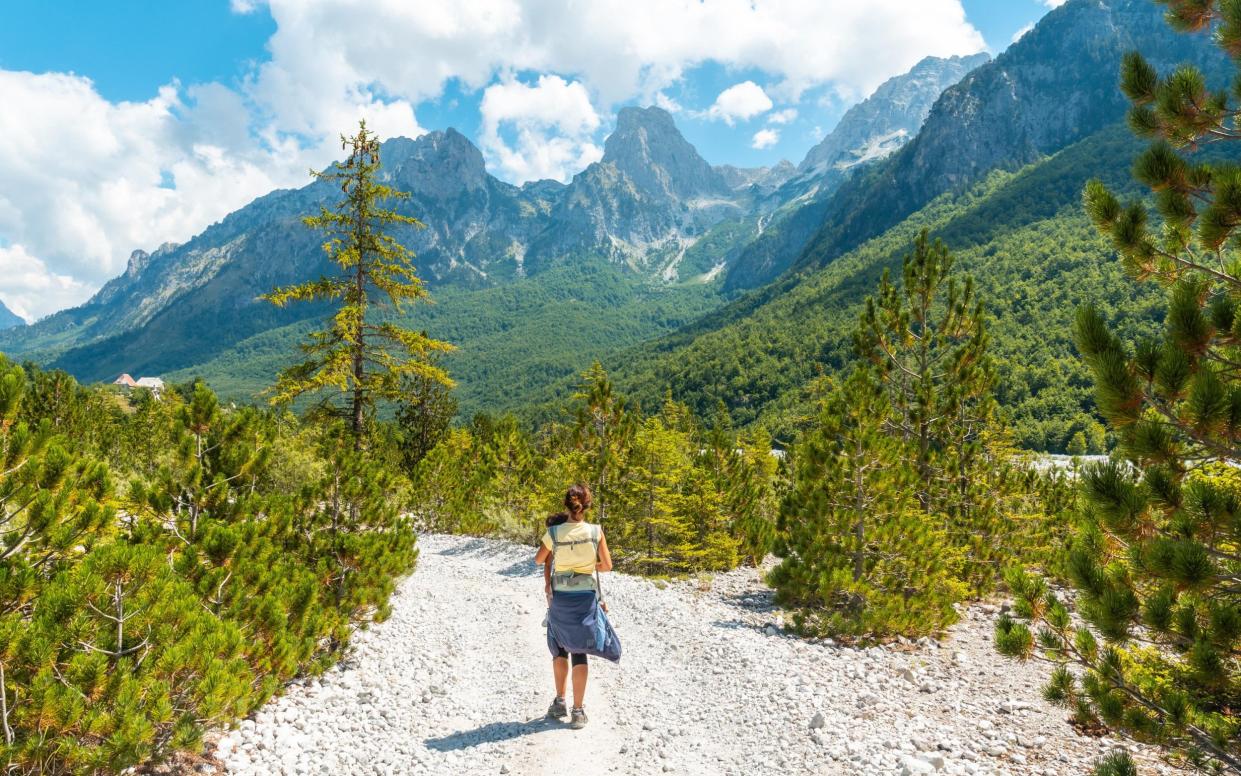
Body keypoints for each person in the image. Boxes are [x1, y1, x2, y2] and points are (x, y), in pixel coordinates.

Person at [534, 484, 613, 729]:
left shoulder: (555, 533)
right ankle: (578, 712)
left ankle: (560, 702)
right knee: (580, 649)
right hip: (586, 597)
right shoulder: (595, 531)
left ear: (566, 505)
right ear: (586, 505)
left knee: (559, 647)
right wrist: (587, 567)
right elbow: (607, 565)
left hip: (561, 598)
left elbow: (539, 560)